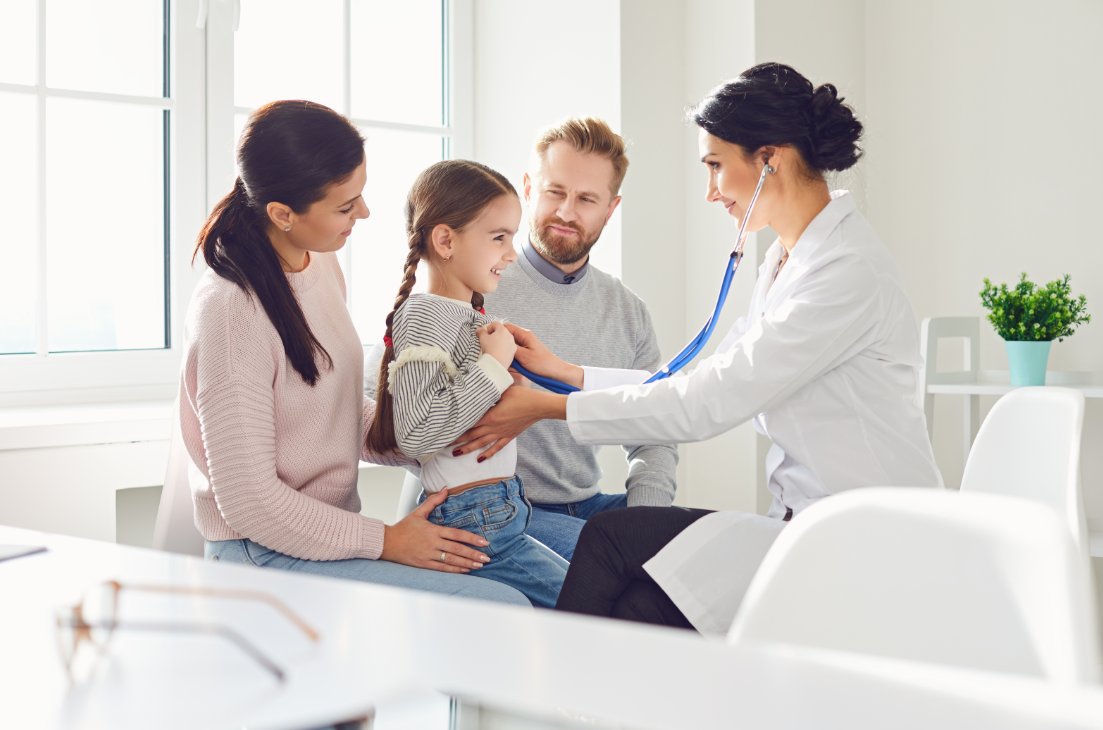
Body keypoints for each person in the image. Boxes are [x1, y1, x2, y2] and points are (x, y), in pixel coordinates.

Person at [455, 63, 943, 633]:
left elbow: (710, 400)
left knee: (617, 544)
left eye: (716, 166)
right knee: (634, 589)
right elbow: (700, 378)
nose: (711, 192)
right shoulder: (789, 260)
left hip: (866, 536)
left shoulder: (845, 273)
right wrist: (569, 373)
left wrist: (551, 403)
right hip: (804, 524)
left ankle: (575, 701)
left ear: (769, 160)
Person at [181, 100, 528, 607]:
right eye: (345, 206)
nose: (364, 213)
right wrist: (385, 540)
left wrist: (444, 427)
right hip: (261, 554)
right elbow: (250, 503)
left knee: (535, 584)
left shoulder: (318, 266)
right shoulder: (232, 314)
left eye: (360, 195)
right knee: (503, 607)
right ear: (282, 214)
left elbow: (334, 409)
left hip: (321, 540)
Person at [365, 159, 568, 608]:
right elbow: (417, 433)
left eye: (512, 237)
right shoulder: (423, 314)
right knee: (588, 606)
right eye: (499, 237)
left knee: (584, 599)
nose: (512, 253)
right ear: (445, 240)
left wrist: (507, 380)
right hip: (475, 516)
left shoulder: (465, 317)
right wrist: (493, 369)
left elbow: (463, 413)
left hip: (499, 508)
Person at [482, 118, 678, 561]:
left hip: (591, 505)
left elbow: (655, 431)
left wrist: (641, 521)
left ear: (611, 208)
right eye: (555, 192)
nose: (567, 212)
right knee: (621, 572)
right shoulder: (476, 285)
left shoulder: (628, 311)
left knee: (708, 547)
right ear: (528, 188)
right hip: (505, 509)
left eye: (587, 199)